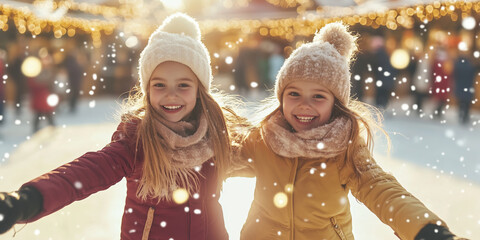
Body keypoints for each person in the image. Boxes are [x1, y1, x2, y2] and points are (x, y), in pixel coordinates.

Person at [0, 13, 237, 240]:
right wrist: (26, 201)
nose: (171, 96)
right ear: (147, 89)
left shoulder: (216, 137)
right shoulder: (137, 142)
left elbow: (266, 159)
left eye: (183, 85)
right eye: (159, 85)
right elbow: (85, 172)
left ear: (199, 90)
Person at [233, 23, 466, 240]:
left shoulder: (344, 148)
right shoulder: (264, 139)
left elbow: (381, 189)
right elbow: (218, 159)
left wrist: (427, 230)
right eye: (294, 94)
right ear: (281, 97)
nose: (304, 105)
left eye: (318, 96)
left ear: (336, 103)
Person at [452, 51, 476, 125]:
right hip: (468, 87)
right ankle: (465, 116)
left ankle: (461, 115)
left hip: (460, 86)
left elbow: (455, 75)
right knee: (467, 103)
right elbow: (473, 74)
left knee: (461, 102)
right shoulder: (470, 65)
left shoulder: (458, 65)